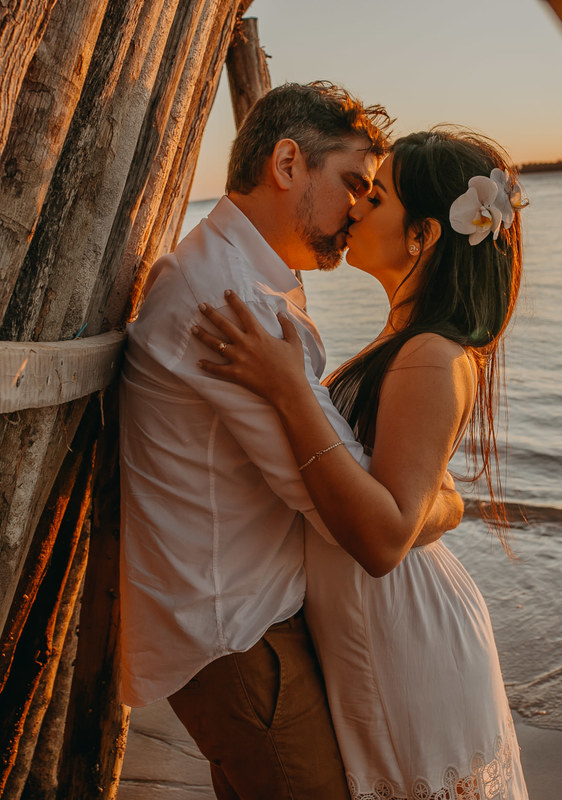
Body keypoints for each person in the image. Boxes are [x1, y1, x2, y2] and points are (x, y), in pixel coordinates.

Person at [118, 83, 464, 800]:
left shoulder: (240, 277)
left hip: (241, 617)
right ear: (285, 165)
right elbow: (352, 515)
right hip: (237, 631)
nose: (358, 208)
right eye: (352, 184)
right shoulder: (234, 302)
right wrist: (443, 503)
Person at [191, 128, 531, 799]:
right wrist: (445, 505)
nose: (354, 208)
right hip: (381, 620)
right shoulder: (407, 343)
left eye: (375, 199)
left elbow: (382, 540)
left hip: (405, 628)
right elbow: (413, 493)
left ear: (422, 236)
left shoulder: (429, 355)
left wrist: (289, 389)